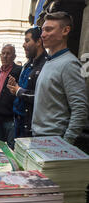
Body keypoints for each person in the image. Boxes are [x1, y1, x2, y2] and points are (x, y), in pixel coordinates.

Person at [32, 12, 89, 145]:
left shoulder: (69, 64)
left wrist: (66, 143)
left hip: (54, 140)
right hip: (41, 138)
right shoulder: (50, 61)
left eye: (49, 29)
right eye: (43, 30)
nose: (43, 34)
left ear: (65, 30)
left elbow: (80, 108)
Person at [7, 27, 48, 138]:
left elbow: (43, 97)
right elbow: (21, 91)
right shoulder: (27, 65)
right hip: (19, 122)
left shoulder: (47, 65)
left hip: (32, 128)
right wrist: (14, 89)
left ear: (39, 42)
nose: (24, 45)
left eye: (27, 41)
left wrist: (18, 91)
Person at [0, 44, 22, 149]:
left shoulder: (19, 71)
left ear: (14, 56)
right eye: (3, 53)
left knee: (11, 148)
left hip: (11, 118)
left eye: (8, 53)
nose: (5, 56)